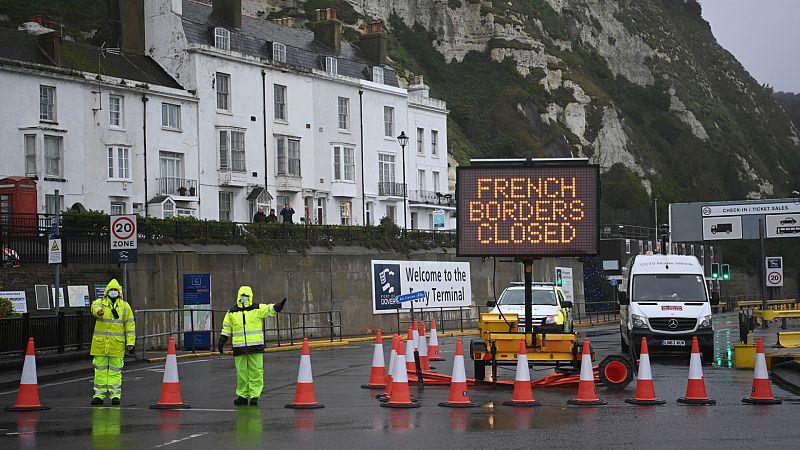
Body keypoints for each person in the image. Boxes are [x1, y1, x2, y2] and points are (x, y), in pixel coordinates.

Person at [218, 286, 287, 406]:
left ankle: (255, 395)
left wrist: (277, 307)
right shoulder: (232, 312)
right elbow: (226, 327)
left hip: (255, 347)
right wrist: (222, 340)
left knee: (256, 372)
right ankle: (243, 396)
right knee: (241, 373)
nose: (244, 298)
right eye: (242, 296)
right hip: (240, 348)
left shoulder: (257, 308)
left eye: (246, 296)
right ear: (239, 296)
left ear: (250, 297)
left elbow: (269, 309)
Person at [89, 279, 135, 406]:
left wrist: (131, 341)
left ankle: (115, 395)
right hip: (100, 345)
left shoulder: (125, 307)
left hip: (116, 345)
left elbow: (130, 325)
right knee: (100, 371)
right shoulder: (100, 303)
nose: (113, 292)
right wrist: (98, 312)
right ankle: (99, 395)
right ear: (106, 292)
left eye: (115, 290)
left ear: (119, 292)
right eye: (111, 290)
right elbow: (93, 307)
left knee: (115, 371)